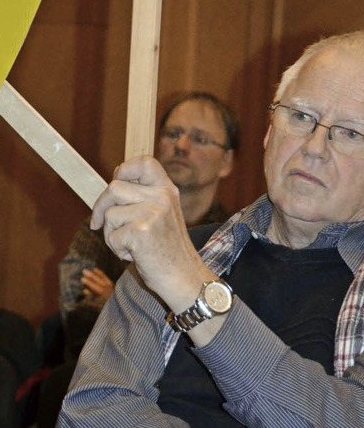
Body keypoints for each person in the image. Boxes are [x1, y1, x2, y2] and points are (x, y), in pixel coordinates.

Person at [59, 29, 364, 427]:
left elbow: (361, 421)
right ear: (269, 128)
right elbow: (91, 411)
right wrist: (177, 268)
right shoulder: (171, 251)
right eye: (300, 116)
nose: (313, 147)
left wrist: (189, 285)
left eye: (351, 134)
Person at [36, 93, 239, 427]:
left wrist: (117, 297)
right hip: (105, 374)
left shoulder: (234, 239)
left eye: (200, 139)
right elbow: (78, 313)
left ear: (227, 161)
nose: (181, 146)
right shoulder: (111, 215)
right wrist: (175, 312)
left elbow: (222, 344)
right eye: (173, 134)